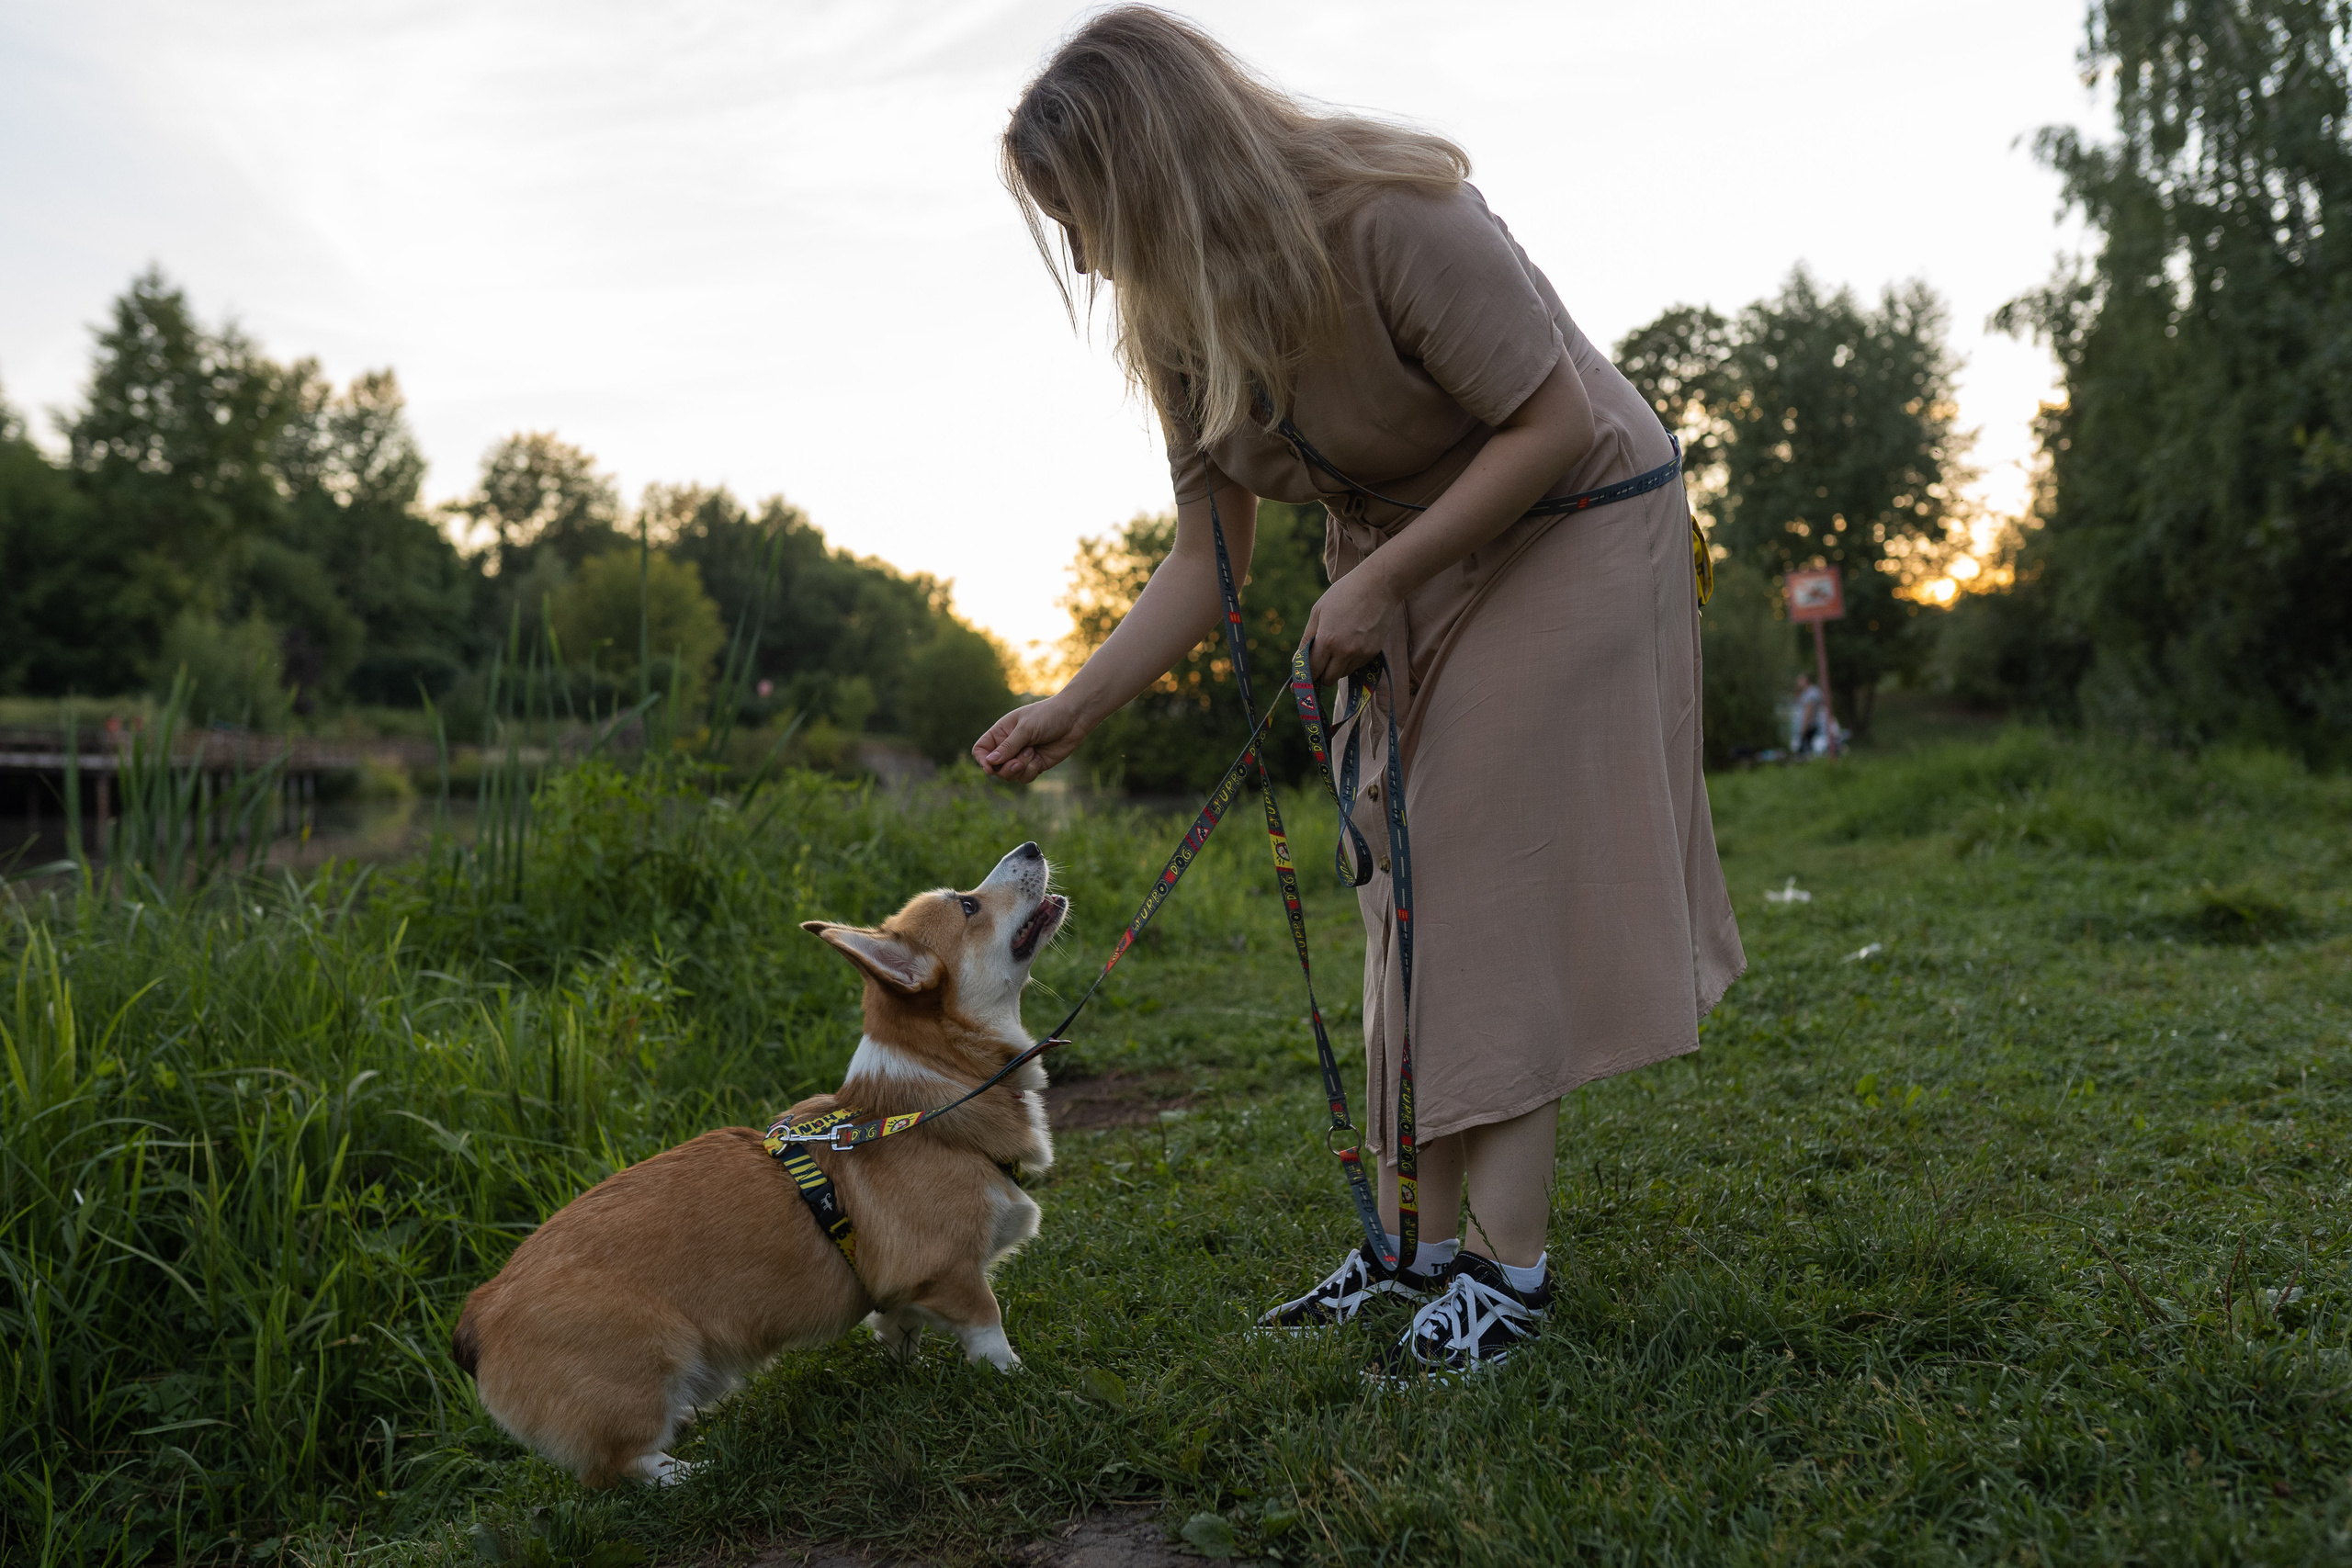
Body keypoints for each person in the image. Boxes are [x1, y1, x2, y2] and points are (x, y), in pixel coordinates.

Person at [975, 7, 1745, 1374]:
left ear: (1149, 172)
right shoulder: (1183, 325)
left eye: (1080, 212)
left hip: (1574, 512)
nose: (1084, 254)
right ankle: (1414, 1249)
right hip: (1405, 560)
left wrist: (1384, 581)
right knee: (1403, 878)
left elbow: (1552, 420)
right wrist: (1075, 703)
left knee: (1484, 868)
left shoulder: (1393, 218)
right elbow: (1210, 560)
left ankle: (1512, 1276)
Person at [1792, 671, 1827, 757]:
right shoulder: (1810, 692)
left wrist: (1804, 727)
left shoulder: (1811, 693)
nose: (1798, 683)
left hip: (1808, 725)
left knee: (1805, 749)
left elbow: (1809, 711)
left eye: (1800, 680)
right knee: (1806, 747)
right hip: (1810, 724)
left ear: (1805, 680)